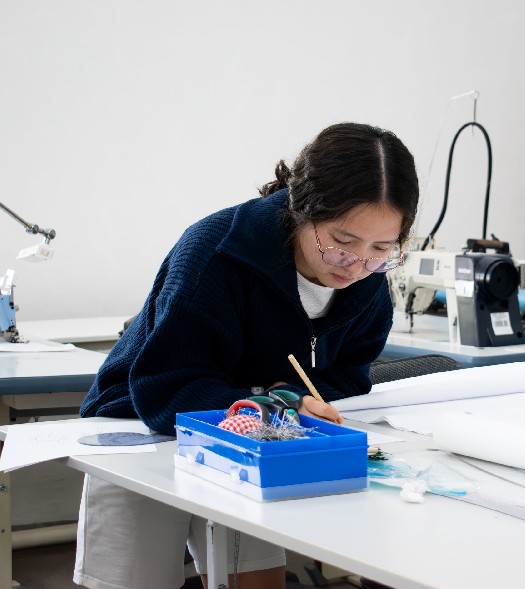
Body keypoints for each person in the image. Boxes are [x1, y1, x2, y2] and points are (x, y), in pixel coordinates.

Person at [74, 122, 420, 589]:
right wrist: (278, 402)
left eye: (381, 248)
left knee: (256, 580)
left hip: (254, 436)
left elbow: (348, 378)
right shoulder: (215, 254)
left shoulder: (367, 285)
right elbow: (165, 389)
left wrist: (290, 402)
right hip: (144, 427)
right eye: (342, 242)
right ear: (303, 208)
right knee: (136, 580)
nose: (358, 265)